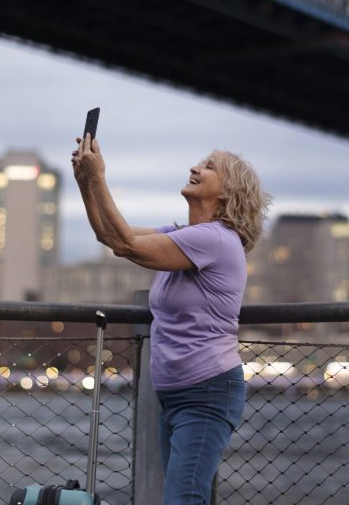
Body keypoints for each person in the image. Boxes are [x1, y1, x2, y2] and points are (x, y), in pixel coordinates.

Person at [71, 132, 270, 505]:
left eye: (209, 167)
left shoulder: (216, 239)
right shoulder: (184, 235)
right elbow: (114, 238)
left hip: (207, 391)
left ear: (227, 193)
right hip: (174, 392)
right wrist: (86, 181)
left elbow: (129, 245)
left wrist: (98, 178)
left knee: (183, 499)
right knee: (182, 497)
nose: (195, 167)